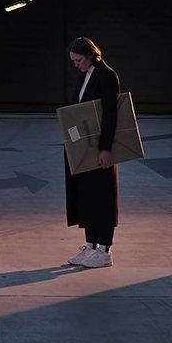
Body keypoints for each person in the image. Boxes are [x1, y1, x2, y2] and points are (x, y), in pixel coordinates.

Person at [64, 36, 120, 268]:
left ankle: (105, 249)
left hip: (100, 147)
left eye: (78, 60)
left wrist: (105, 149)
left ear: (90, 56)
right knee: (86, 194)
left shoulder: (107, 76)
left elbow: (110, 115)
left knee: (103, 196)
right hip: (84, 147)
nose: (75, 65)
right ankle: (90, 245)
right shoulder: (83, 75)